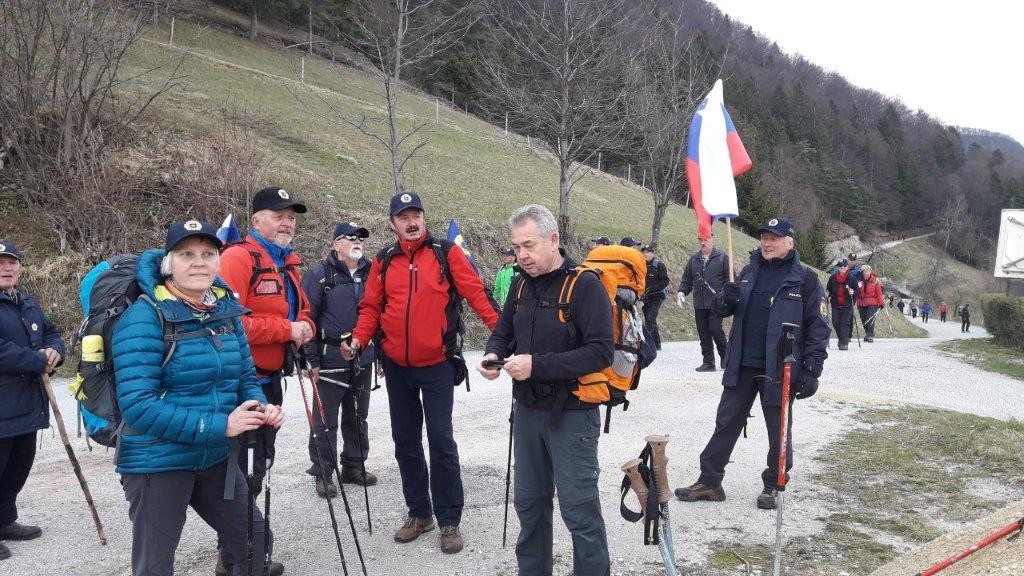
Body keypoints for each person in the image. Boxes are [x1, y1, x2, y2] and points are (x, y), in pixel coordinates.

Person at [111, 220, 285, 576]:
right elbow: (139, 406)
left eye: (208, 254)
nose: (199, 262)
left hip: (214, 456)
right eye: (186, 254)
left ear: (219, 261)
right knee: (155, 566)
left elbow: (245, 377)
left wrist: (258, 406)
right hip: (157, 461)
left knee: (255, 543)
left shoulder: (226, 311)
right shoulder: (144, 318)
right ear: (169, 263)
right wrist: (222, 425)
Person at [342, 191, 499, 554]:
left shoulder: (446, 253)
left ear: (424, 218)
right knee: (405, 442)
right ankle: (419, 513)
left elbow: (477, 295)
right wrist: (358, 339)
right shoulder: (383, 260)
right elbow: (371, 308)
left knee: (441, 441)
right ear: (393, 224)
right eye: (404, 217)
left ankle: (449, 520)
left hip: (438, 364)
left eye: (416, 215)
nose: (411, 223)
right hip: (397, 367)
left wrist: (503, 338)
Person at [477, 204, 613, 576]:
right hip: (527, 411)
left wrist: (536, 365)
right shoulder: (520, 283)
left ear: (553, 240)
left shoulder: (585, 285)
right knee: (530, 505)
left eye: (529, 245)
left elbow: (601, 352)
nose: (522, 255)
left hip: (573, 413)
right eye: (516, 247)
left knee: (579, 511)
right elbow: (504, 331)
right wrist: (493, 354)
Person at [674, 217, 829, 510]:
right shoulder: (748, 271)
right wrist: (726, 299)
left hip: (779, 367)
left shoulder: (806, 280)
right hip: (742, 363)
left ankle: (774, 484)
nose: (767, 243)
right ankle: (710, 481)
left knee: (778, 430)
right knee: (725, 422)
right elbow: (722, 308)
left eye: (774, 238)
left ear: (790, 242)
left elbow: (819, 327)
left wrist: (812, 369)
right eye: (764, 238)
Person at [217, 186, 314, 575]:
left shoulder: (287, 263)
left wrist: (304, 326)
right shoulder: (237, 258)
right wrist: (287, 330)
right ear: (256, 221)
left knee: (259, 467)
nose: (287, 223)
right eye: (278, 216)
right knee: (238, 474)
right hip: (238, 385)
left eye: (291, 217)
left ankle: (241, 553)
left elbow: (302, 311)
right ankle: (237, 559)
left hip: (270, 380)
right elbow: (229, 323)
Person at [301, 222, 378, 499]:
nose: (357, 242)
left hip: (363, 357)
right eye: (350, 237)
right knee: (325, 420)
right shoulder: (319, 275)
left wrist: (379, 357)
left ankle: (354, 465)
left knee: (358, 416)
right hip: (329, 358)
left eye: (360, 238)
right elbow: (306, 317)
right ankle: (323, 472)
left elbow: (379, 314)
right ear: (335, 244)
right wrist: (310, 359)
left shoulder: (372, 273)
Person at [0, 241, 64, 561]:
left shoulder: (25, 301)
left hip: (26, 402)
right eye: (0, 262)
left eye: (12, 262)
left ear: (20, 267)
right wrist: (36, 360)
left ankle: (4, 520)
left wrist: (55, 352)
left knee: (17, 466)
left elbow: (51, 332)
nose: (6, 267)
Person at [677, 232, 730, 371]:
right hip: (699, 303)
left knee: (715, 329)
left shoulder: (722, 257)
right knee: (703, 333)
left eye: (706, 239)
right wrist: (682, 292)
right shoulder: (694, 259)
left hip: (716, 303)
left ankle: (726, 359)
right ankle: (708, 362)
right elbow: (687, 279)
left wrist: (725, 294)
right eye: (700, 240)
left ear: (712, 239)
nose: (703, 242)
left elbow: (730, 279)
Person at [640, 244, 669, 350]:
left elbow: (665, 281)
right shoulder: (640, 265)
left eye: (648, 252)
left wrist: (654, 288)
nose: (645, 254)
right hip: (645, 297)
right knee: (650, 319)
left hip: (657, 297)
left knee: (650, 318)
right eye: (643, 252)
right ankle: (657, 344)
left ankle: (644, 343)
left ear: (653, 253)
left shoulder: (659, 265)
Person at [826, 258, 859, 350]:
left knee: (844, 323)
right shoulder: (832, 278)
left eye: (844, 266)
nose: (842, 267)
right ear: (838, 267)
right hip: (836, 304)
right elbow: (829, 289)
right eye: (840, 266)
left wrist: (853, 292)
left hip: (848, 304)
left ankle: (844, 343)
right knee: (835, 323)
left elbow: (857, 291)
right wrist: (827, 295)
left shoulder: (852, 278)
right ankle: (841, 339)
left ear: (847, 267)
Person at [855, 264, 885, 342]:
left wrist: (881, 303)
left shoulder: (875, 280)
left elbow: (879, 293)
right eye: (865, 271)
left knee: (870, 318)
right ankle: (867, 334)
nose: (867, 273)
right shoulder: (858, 280)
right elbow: (856, 292)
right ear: (862, 272)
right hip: (861, 303)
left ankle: (870, 335)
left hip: (872, 303)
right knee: (864, 320)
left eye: (868, 271)